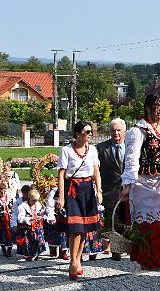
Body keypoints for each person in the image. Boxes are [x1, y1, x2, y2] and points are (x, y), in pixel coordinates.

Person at [120, 93, 160, 270]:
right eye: (156, 106)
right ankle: (150, 262)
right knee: (150, 225)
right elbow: (132, 159)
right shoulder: (138, 131)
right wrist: (127, 185)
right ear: (147, 108)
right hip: (145, 185)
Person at [57, 120, 102, 280]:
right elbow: (61, 174)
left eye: (91, 132)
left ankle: (77, 259)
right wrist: (61, 197)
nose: (90, 134)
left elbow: (96, 171)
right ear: (77, 133)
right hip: (73, 190)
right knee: (75, 228)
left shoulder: (93, 150)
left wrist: (99, 191)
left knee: (85, 229)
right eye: (87, 131)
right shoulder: (66, 150)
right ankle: (72, 261)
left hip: (88, 190)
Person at [96, 118, 127, 260]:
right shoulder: (101, 149)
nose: (116, 133)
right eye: (113, 130)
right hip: (110, 190)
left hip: (130, 189)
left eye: (118, 130)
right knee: (114, 220)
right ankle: (116, 249)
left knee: (129, 218)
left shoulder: (132, 147)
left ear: (124, 131)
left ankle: (132, 245)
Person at [17, 187, 47, 261]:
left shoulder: (38, 205)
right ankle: (29, 255)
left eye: (36, 200)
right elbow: (20, 218)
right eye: (33, 200)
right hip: (27, 228)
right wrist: (29, 219)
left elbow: (42, 213)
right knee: (28, 241)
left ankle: (36, 253)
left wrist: (41, 216)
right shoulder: (22, 206)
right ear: (29, 198)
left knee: (38, 240)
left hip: (37, 227)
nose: (35, 202)